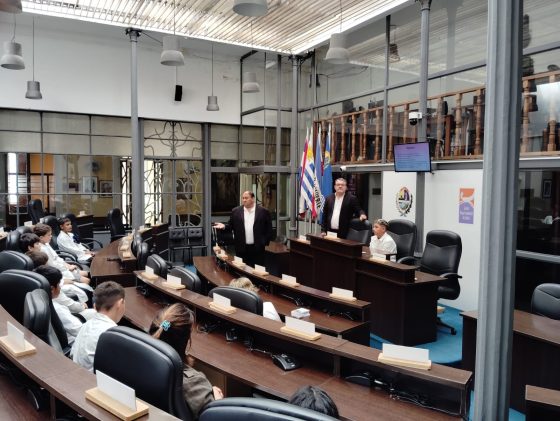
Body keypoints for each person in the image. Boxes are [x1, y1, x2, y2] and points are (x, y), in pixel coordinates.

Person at [150, 303, 223, 418]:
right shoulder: (193, 382)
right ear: (186, 340)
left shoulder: (142, 360)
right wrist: (218, 401)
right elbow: (216, 416)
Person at [71, 281, 125, 371]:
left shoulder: (86, 324)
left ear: (94, 306)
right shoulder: (112, 335)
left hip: (78, 375)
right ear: (120, 303)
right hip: (95, 382)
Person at [214, 191, 273, 267]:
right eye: (243, 198)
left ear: (252, 199)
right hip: (241, 247)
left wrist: (264, 242)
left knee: (257, 269)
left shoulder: (263, 211)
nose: (244, 200)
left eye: (246, 198)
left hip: (257, 248)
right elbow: (231, 225)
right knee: (242, 268)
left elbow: (268, 229)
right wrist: (224, 226)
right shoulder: (236, 211)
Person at [35, 265, 85, 345]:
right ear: (52, 289)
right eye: (58, 285)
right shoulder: (57, 309)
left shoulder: (35, 301)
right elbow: (80, 330)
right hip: (72, 342)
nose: (60, 288)